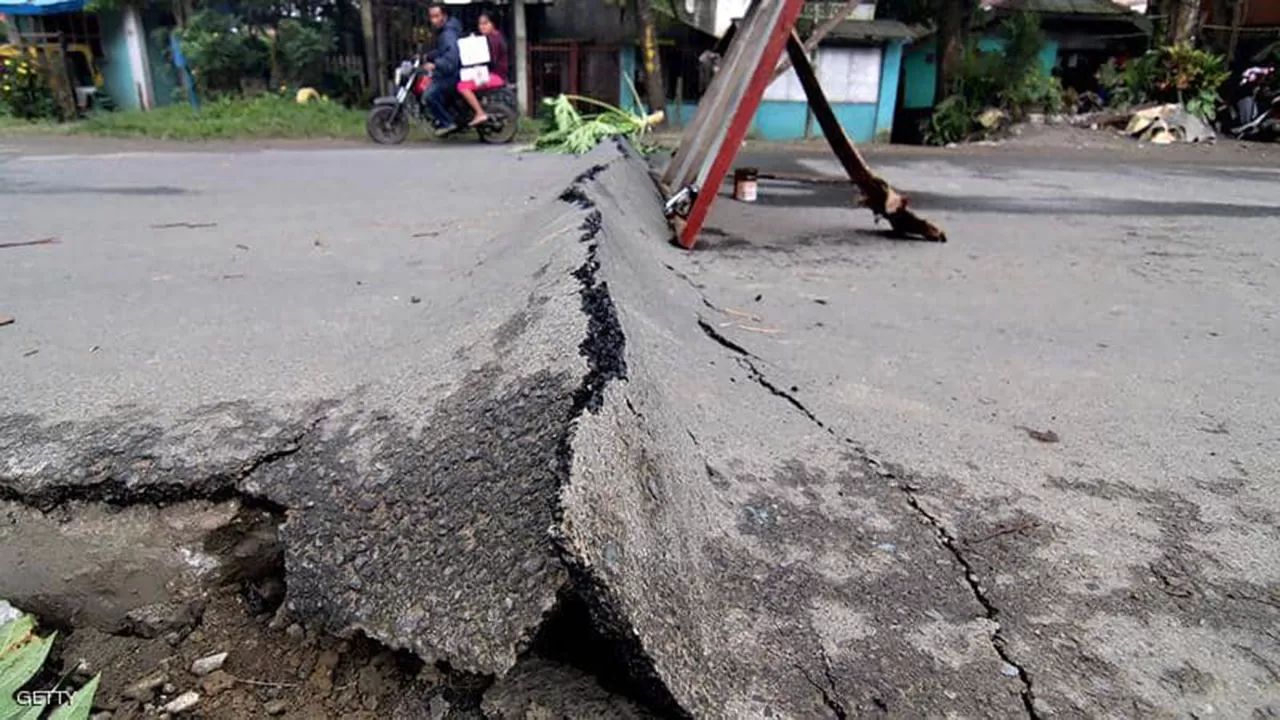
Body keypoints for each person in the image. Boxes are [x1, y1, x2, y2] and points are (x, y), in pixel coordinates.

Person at [456, 11, 509, 127]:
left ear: (493, 24)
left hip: (496, 76)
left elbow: (489, 60)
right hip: (491, 74)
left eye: (486, 23)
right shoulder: (492, 37)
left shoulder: (494, 40)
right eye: (480, 24)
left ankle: (480, 112)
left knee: (462, 86)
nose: (482, 26)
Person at [423, 3, 463, 136]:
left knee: (429, 96)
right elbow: (442, 51)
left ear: (444, 16)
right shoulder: (446, 31)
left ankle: (447, 123)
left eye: (436, 16)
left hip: (452, 73)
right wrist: (428, 55)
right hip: (449, 71)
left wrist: (435, 65)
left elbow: (451, 59)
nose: (433, 20)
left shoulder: (448, 34)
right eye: (431, 16)